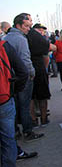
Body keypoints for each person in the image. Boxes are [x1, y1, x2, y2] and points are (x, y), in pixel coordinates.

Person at [3, 13, 44, 142]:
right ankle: (28, 131)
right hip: (23, 77)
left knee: (14, 106)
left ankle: (15, 131)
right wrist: (32, 73)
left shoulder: (6, 38)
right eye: (26, 26)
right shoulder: (21, 39)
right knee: (24, 106)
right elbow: (25, 60)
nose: (29, 28)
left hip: (9, 78)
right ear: (19, 25)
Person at [0, 39, 28, 167]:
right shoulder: (3, 46)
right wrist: (12, 91)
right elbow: (23, 72)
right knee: (8, 141)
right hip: (4, 101)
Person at [27, 23, 56, 127]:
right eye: (40, 30)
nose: (42, 32)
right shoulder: (38, 38)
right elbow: (52, 48)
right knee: (42, 96)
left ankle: (34, 120)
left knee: (31, 97)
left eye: (43, 30)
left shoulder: (24, 37)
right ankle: (43, 119)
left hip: (29, 69)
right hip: (39, 69)